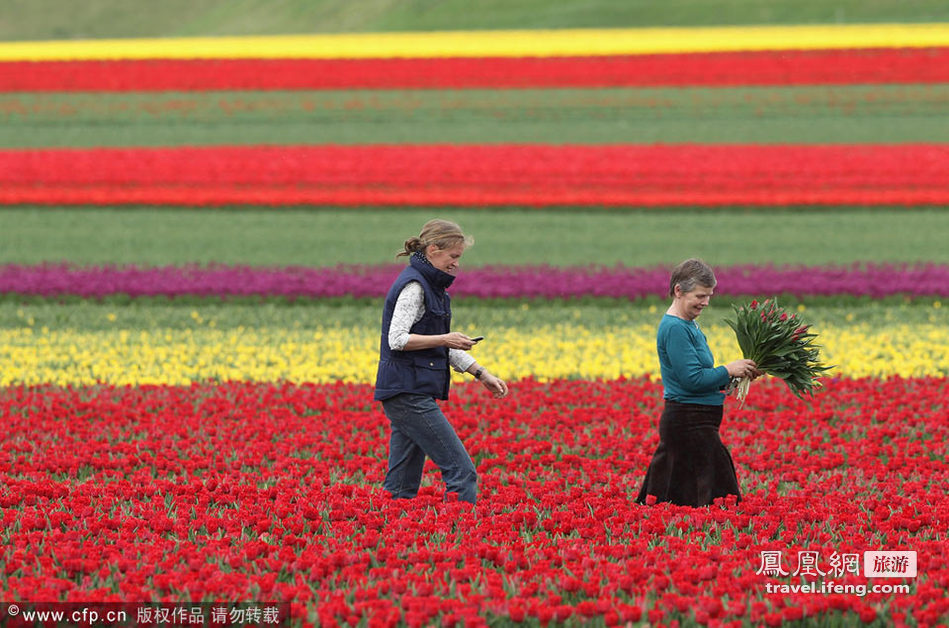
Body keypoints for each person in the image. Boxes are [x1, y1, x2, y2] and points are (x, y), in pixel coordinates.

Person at [374, 219, 509, 504]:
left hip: (409, 390)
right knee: (461, 472)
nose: (457, 264)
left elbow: (437, 342)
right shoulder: (415, 287)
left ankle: (390, 535)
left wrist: (480, 372)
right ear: (433, 250)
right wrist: (445, 338)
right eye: (453, 257)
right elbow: (397, 339)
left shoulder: (432, 287)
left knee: (401, 487)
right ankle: (458, 537)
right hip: (408, 392)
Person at [636, 258, 760, 507]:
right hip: (688, 423)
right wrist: (728, 369)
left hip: (698, 422)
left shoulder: (688, 324)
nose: (705, 302)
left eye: (709, 295)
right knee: (709, 500)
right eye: (700, 296)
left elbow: (703, 376)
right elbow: (692, 380)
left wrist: (738, 375)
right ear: (679, 291)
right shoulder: (675, 329)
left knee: (696, 501)